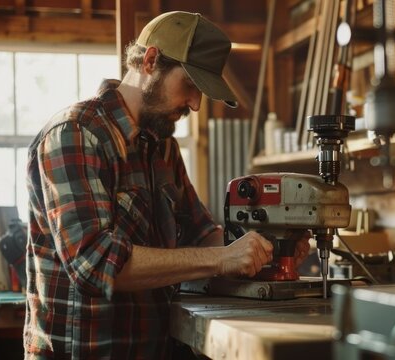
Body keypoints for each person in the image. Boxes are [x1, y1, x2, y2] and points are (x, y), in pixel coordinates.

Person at [24, 11, 311, 359]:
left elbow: (200, 232)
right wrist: (222, 259)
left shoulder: (162, 146)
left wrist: (269, 246)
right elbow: (95, 263)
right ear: (150, 61)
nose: (195, 104)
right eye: (190, 85)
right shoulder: (75, 134)